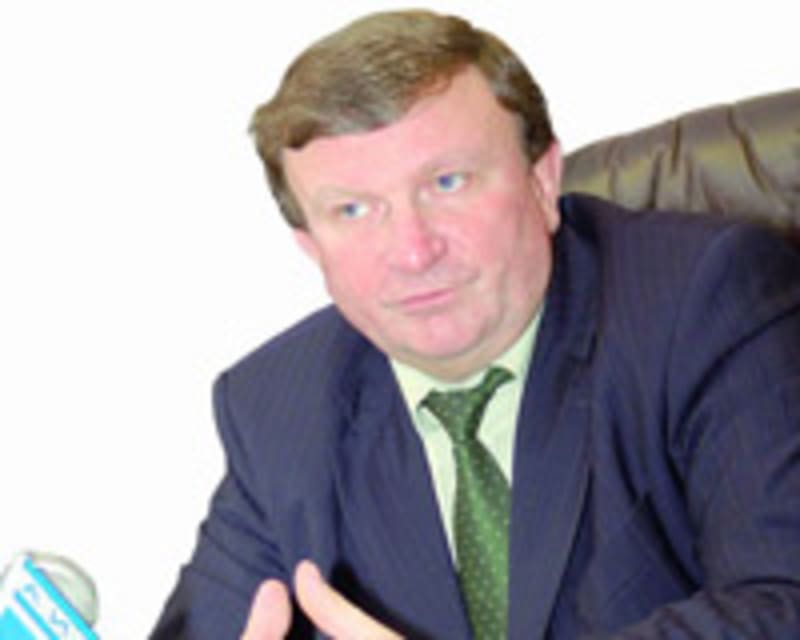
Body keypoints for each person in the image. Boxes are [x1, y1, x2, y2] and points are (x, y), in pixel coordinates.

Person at [151, 9, 800, 639]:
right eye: (353, 210)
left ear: (542, 180)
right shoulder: (277, 407)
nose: (413, 251)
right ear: (311, 246)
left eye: (448, 182)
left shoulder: (703, 299)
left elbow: (783, 602)